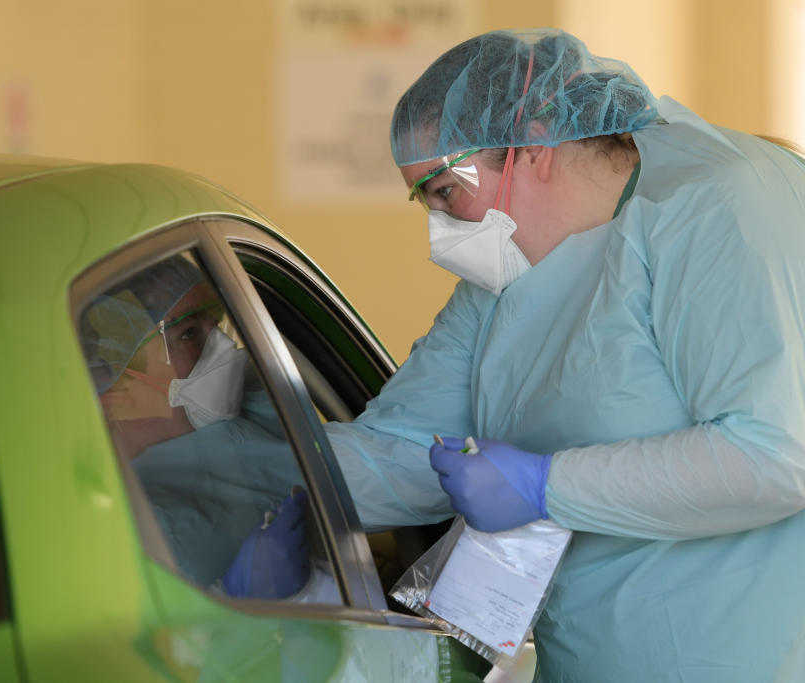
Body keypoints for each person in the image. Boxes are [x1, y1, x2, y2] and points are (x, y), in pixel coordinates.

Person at [323, 28, 805, 681]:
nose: (441, 231)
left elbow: (772, 456)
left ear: (535, 141)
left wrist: (544, 486)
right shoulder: (501, 278)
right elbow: (399, 454)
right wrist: (249, 482)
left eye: (444, 191)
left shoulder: (717, 205)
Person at [80, 256, 311, 599]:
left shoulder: (263, 408)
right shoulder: (96, 534)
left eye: (216, 322)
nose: (225, 346)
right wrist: (234, 600)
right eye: (188, 333)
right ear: (112, 388)